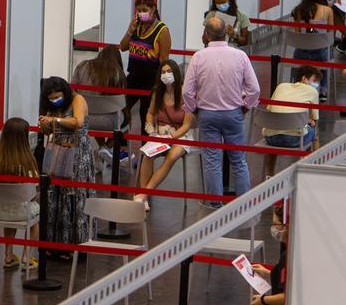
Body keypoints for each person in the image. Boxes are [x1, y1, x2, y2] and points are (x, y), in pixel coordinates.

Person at [182, 17, 260, 208]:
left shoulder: (198, 57)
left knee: (212, 162)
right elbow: (255, 89)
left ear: (206, 35)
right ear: (226, 32)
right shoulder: (240, 56)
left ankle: (215, 205)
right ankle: (244, 204)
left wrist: (193, 109)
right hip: (233, 113)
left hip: (207, 115)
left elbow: (186, 91)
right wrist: (245, 106)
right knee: (239, 161)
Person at [38, 76, 93, 258]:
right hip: (58, 154)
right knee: (55, 198)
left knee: (74, 199)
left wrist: (55, 121)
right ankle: (54, 244)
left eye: (57, 96)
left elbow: (77, 122)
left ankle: (76, 245)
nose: (55, 100)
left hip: (77, 155)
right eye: (51, 98)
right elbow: (48, 131)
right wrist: (45, 125)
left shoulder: (78, 100)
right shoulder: (51, 106)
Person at [134, 59, 194, 212]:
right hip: (160, 135)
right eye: (163, 72)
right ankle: (144, 197)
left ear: (176, 73)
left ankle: (143, 194)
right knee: (147, 155)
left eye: (169, 71)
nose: (166, 75)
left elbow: (187, 125)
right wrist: (150, 127)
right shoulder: (157, 92)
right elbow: (150, 112)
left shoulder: (186, 94)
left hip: (181, 136)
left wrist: (172, 138)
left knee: (172, 156)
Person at [0, 117, 41, 269]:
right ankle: (26, 256)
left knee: (9, 209)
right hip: (21, 211)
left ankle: (8, 255)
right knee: (35, 220)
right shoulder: (28, 160)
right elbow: (33, 189)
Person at [118, 0, 172, 134]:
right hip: (134, 76)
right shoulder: (136, 27)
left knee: (145, 115)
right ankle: (121, 146)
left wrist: (163, 85)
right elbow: (123, 46)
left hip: (151, 79)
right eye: (139, 10)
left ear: (153, 9)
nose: (141, 13)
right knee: (121, 108)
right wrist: (130, 29)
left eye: (144, 10)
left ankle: (145, 152)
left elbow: (164, 60)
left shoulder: (162, 30)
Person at [262, 66, 322, 180]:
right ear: (304, 78)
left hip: (271, 139)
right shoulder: (312, 91)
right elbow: (315, 119)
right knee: (314, 133)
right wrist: (308, 120)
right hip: (294, 139)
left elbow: (270, 110)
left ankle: (269, 175)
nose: (316, 85)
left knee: (275, 127)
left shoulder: (281, 86)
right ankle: (310, 172)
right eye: (314, 81)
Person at [71, 45, 127, 158]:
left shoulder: (83, 66)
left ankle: (102, 148)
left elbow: (72, 90)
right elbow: (122, 102)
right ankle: (104, 148)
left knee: (94, 111)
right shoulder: (118, 73)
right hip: (111, 121)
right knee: (126, 120)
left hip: (84, 119)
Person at [250, 204, 288, 305]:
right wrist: (269, 273)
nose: (273, 229)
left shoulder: (287, 256)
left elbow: (286, 297)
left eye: (275, 224)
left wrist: (263, 300)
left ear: (286, 227)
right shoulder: (290, 251)